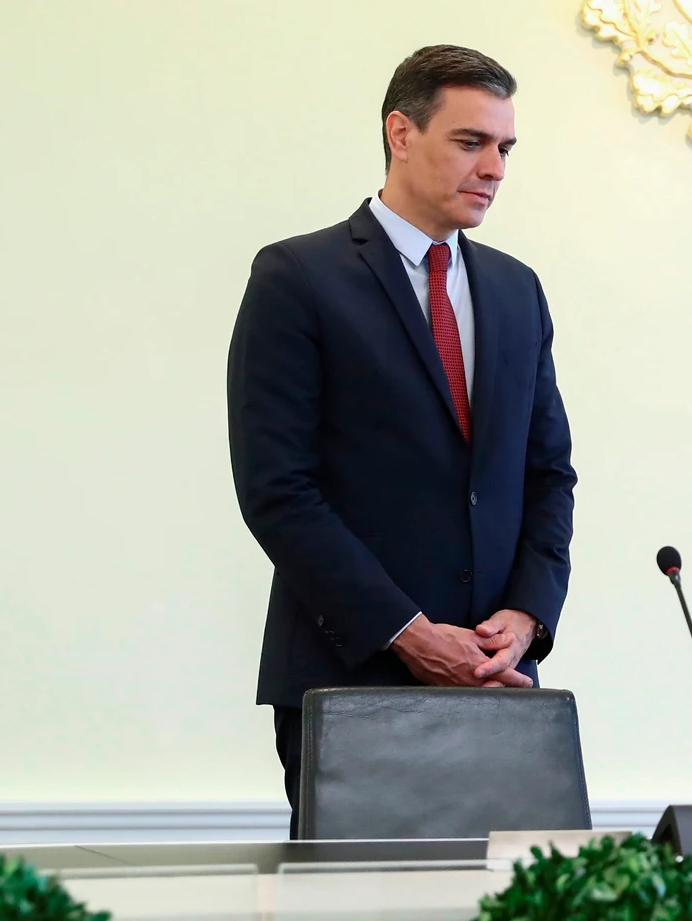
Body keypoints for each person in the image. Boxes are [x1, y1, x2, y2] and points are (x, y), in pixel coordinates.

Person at [226, 45, 576, 835]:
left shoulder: (517, 290)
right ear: (401, 133)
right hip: (353, 680)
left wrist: (525, 616)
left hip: (499, 680)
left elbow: (548, 475)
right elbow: (278, 488)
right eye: (470, 141)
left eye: (505, 148)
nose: (493, 167)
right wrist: (410, 634)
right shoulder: (296, 277)